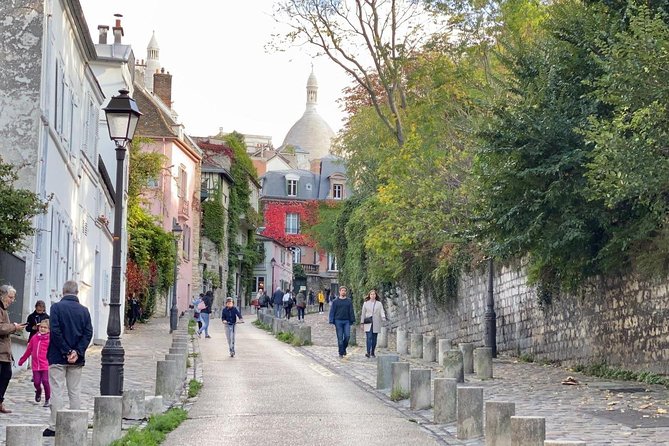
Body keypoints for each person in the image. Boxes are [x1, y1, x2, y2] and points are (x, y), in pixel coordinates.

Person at [43, 280, 93, 437]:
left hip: (58, 356)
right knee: (75, 391)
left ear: (63, 291)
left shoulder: (56, 308)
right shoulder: (84, 311)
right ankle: (76, 424)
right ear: (77, 293)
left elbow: (55, 331)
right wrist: (76, 352)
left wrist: (66, 351)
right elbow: (88, 333)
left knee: (57, 390)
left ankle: (55, 426)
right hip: (76, 359)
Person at [0, 285, 27, 413]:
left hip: (4, 351)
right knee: (4, 375)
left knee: (6, 375)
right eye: (10, 297)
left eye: (13, 298)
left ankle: (0, 401)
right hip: (1, 351)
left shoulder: (3, 309)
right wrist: (14, 327)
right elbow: (1, 328)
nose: (11, 300)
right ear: (3, 295)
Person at [18, 319, 51, 406]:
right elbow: (29, 350)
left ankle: (48, 399)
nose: (42, 329)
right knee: (36, 382)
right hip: (36, 365)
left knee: (45, 381)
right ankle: (38, 391)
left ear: (49, 329)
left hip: (45, 365)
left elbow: (53, 352)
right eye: (41, 327)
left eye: (45, 328)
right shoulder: (35, 338)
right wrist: (22, 360)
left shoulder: (50, 339)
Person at [328, 286, 356, 359]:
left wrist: (352, 320)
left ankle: (343, 349)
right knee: (340, 338)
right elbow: (332, 312)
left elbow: (351, 311)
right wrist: (331, 320)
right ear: (339, 291)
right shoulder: (335, 301)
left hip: (346, 321)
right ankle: (341, 352)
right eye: (342, 290)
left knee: (347, 336)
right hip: (338, 321)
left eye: (345, 291)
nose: (343, 292)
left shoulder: (349, 301)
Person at [360, 288, 386, 358]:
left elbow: (381, 311)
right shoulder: (365, 303)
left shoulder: (379, 303)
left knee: (374, 338)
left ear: (375, 295)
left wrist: (383, 317)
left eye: (374, 294)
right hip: (368, 321)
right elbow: (363, 313)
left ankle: (373, 352)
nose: (372, 295)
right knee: (369, 337)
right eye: (371, 294)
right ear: (369, 295)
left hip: (376, 321)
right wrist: (362, 323)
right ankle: (368, 352)